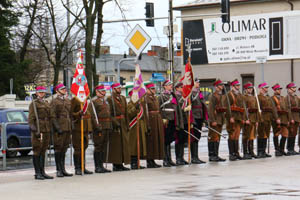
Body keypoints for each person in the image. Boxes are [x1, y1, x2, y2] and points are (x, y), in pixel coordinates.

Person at [28, 86, 53, 180]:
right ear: (37, 93)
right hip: (39, 129)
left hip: (46, 129)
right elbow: (30, 120)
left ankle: (42, 172)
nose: (42, 94)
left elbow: (50, 116)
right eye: (40, 92)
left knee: (43, 151)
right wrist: (35, 130)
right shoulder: (33, 104)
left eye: (43, 92)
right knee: (37, 151)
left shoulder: (46, 103)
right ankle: (37, 172)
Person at [106, 82, 131, 171]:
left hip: (123, 122)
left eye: (120, 88)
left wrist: (127, 124)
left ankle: (121, 163)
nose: (120, 89)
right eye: (118, 88)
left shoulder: (123, 98)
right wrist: (115, 122)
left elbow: (126, 112)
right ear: (113, 89)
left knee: (123, 144)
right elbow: (109, 113)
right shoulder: (110, 99)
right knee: (116, 145)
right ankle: (116, 164)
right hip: (115, 124)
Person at [50, 83, 73, 177]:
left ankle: (63, 169)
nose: (64, 90)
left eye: (64, 89)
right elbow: (52, 116)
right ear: (57, 91)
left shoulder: (67, 100)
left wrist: (71, 126)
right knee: (58, 148)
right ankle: (58, 169)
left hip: (67, 127)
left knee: (64, 148)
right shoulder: (54, 101)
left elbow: (70, 114)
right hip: (60, 127)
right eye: (62, 89)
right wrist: (57, 128)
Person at [159, 80, 183, 167]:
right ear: (165, 86)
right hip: (166, 120)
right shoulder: (161, 96)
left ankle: (170, 159)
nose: (170, 86)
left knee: (169, 140)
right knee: (165, 140)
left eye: (171, 85)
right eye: (169, 85)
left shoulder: (173, 95)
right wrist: (162, 118)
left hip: (173, 118)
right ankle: (165, 159)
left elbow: (177, 108)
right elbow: (159, 109)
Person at [90, 84, 112, 173]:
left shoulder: (105, 101)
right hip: (99, 126)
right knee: (98, 146)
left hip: (107, 125)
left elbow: (109, 114)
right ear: (97, 92)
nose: (104, 93)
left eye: (104, 91)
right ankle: (97, 166)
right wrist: (96, 126)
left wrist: (110, 125)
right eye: (102, 91)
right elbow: (93, 116)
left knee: (103, 146)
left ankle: (101, 165)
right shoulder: (94, 101)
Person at [223, 79, 245, 161]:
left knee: (237, 136)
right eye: (236, 86)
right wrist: (229, 117)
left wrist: (243, 118)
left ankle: (236, 153)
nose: (238, 87)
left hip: (239, 118)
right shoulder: (229, 95)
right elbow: (226, 107)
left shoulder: (240, 95)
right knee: (231, 135)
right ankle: (231, 154)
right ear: (232, 87)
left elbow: (242, 107)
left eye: (239, 85)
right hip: (232, 118)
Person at [71, 96, 93, 175]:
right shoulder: (75, 99)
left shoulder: (85, 100)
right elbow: (71, 113)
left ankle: (83, 167)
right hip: (78, 128)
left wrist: (89, 128)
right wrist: (78, 113)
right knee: (78, 148)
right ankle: (77, 168)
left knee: (84, 147)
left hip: (85, 128)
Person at [144, 82, 164, 168]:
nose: (154, 90)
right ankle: (149, 161)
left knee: (156, 141)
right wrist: (147, 124)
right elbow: (145, 112)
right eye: (152, 89)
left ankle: (153, 160)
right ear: (147, 90)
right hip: (151, 121)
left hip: (157, 120)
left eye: (154, 89)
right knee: (150, 141)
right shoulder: (145, 99)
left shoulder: (155, 98)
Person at [127, 89, 147, 169]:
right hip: (133, 127)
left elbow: (143, 116)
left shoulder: (140, 104)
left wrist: (145, 127)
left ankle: (137, 162)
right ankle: (133, 163)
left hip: (140, 126)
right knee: (133, 146)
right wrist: (135, 108)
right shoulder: (130, 104)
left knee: (139, 145)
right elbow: (129, 114)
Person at [207, 79, 226, 162]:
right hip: (215, 119)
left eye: (222, 85)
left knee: (217, 137)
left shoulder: (221, 95)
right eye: (220, 85)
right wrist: (212, 120)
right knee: (212, 137)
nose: (222, 86)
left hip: (220, 119)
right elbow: (210, 109)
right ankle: (212, 155)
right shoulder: (213, 96)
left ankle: (216, 154)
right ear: (216, 86)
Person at [191, 78, 207, 164]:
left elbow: (203, 106)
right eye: (197, 83)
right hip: (194, 117)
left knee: (198, 137)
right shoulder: (191, 93)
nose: (198, 84)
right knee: (194, 137)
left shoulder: (199, 92)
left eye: (198, 83)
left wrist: (204, 118)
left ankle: (196, 156)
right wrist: (191, 120)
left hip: (200, 116)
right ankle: (193, 157)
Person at [271, 83, 289, 156]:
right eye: (278, 89)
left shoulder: (283, 98)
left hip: (284, 118)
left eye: (280, 89)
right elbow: (274, 109)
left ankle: (282, 149)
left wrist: (288, 119)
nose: (279, 90)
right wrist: (276, 118)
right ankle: (277, 150)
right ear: (275, 90)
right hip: (277, 118)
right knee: (276, 134)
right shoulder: (272, 98)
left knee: (285, 134)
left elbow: (287, 108)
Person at [256, 82, 273, 158]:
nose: (266, 89)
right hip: (262, 118)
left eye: (267, 88)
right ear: (261, 89)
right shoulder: (258, 97)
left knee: (266, 134)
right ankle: (260, 151)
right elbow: (257, 109)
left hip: (268, 118)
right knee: (261, 134)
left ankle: (264, 151)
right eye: (265, 88)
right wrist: (259, 119)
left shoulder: (268, 97)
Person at [242, 82, 258, 159]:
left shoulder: (254, 97)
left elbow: (256, 109)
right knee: (246, 136)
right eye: (249, 88)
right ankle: (245, 152)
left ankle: (251, 151)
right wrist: (245, 119)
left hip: (253, 118)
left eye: (251, 88)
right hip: (248, 118)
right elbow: (244, 109)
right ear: (246, 89)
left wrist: (257, 120)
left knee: (252, 136)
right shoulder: (244, 97)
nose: (250, 90)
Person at [174, 82, 189, 165]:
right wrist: (185, 108)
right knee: (179, 140)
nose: (182, 89)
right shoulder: (176, 96)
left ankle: (181, 157)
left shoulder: (183, 96)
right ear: (177, 88)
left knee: (183, 140)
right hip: (179, 121)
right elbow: (178, 107)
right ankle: (178, 158)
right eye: (180, 87)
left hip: (184, 120)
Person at [285, 83, 299, 155]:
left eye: (294, 88)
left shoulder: (296, 97)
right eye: (293, 88)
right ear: (289, 89)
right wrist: (291, 118)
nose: (294, 89)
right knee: (291, 133)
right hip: (292, 117)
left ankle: (292, 149)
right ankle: (289, 149)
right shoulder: (287, 98)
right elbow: (288, 109)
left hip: (297, 117)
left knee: (294, 133)